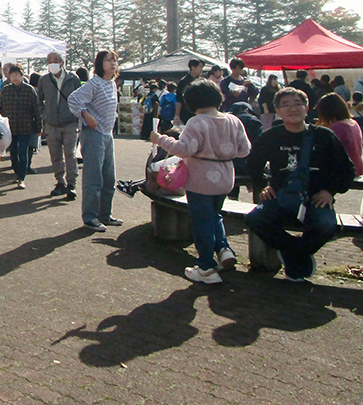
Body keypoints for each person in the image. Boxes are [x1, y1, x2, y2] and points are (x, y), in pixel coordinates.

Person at [244, 88, 356, 281]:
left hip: (315, 197)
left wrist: (330, 191)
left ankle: (294, 254)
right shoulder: (271, 137)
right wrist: (263, 184)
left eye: (297, 104)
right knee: (255, 219)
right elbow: (253, 164)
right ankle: (294, 250)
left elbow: (346, 170)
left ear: (307, 108)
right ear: (277, 110)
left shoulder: (324, 136)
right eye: (285, 105)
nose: (292, 109)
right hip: (282, 196)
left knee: (325, 226)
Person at [150, 80, 251, 284]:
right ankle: (224, 250)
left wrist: (160, 139)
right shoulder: (233, 120)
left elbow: (184, 149)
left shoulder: (198, 122)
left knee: (201, 222)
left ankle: (206, 267)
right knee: (214, 216)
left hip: (201, 179)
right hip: (225, 177)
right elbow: (244, 150)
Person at [67, 50, 122, 232]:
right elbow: (74, 99)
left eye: (114, 60)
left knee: (109, 177)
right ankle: (90, 217)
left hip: (107, 134)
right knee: (93, 177)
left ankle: (104, 214)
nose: (112, 63)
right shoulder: (95, 83)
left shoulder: (112, 84)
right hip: (93, 134)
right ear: (100, 64)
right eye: (108, 60)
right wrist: (86, 115)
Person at [37, 51, 82, 199]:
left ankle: (71, 184)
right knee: (55, 155)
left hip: (70, 122)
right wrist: (45, 115)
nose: (52, 63)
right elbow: (39, 100)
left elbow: (79, 98)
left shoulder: (72, 78)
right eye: (49, 61)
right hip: (51, 124)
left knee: (70, 154)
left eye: (55, 60)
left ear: (62, 62)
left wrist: (76, 116)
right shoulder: (44, 80)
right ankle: (60, 182)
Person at [0, 63, 41, 189]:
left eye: (17, 75)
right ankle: (17, 174)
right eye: (12, 75)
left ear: (22, 76)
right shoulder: (6, 90)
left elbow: (36, 109)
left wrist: (39, 127)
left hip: (25, 126)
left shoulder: (29, 89)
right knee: (13, 153)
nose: (15, 77)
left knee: (23, 152)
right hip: (10, 127)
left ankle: (21, 177)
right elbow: (1, 109)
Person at [316, 92, 363, 177]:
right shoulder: (353, 123)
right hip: (358, 167)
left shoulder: (337, 127)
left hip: (344, 171)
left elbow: (324, 150)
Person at [174, 59, 205, 125]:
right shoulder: (183, 82)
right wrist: (177, 115)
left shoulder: (203, 82)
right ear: (193, 67)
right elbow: (179, 100)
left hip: (201, 114)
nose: (202, 70)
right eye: (200, 67)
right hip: (186, 114)